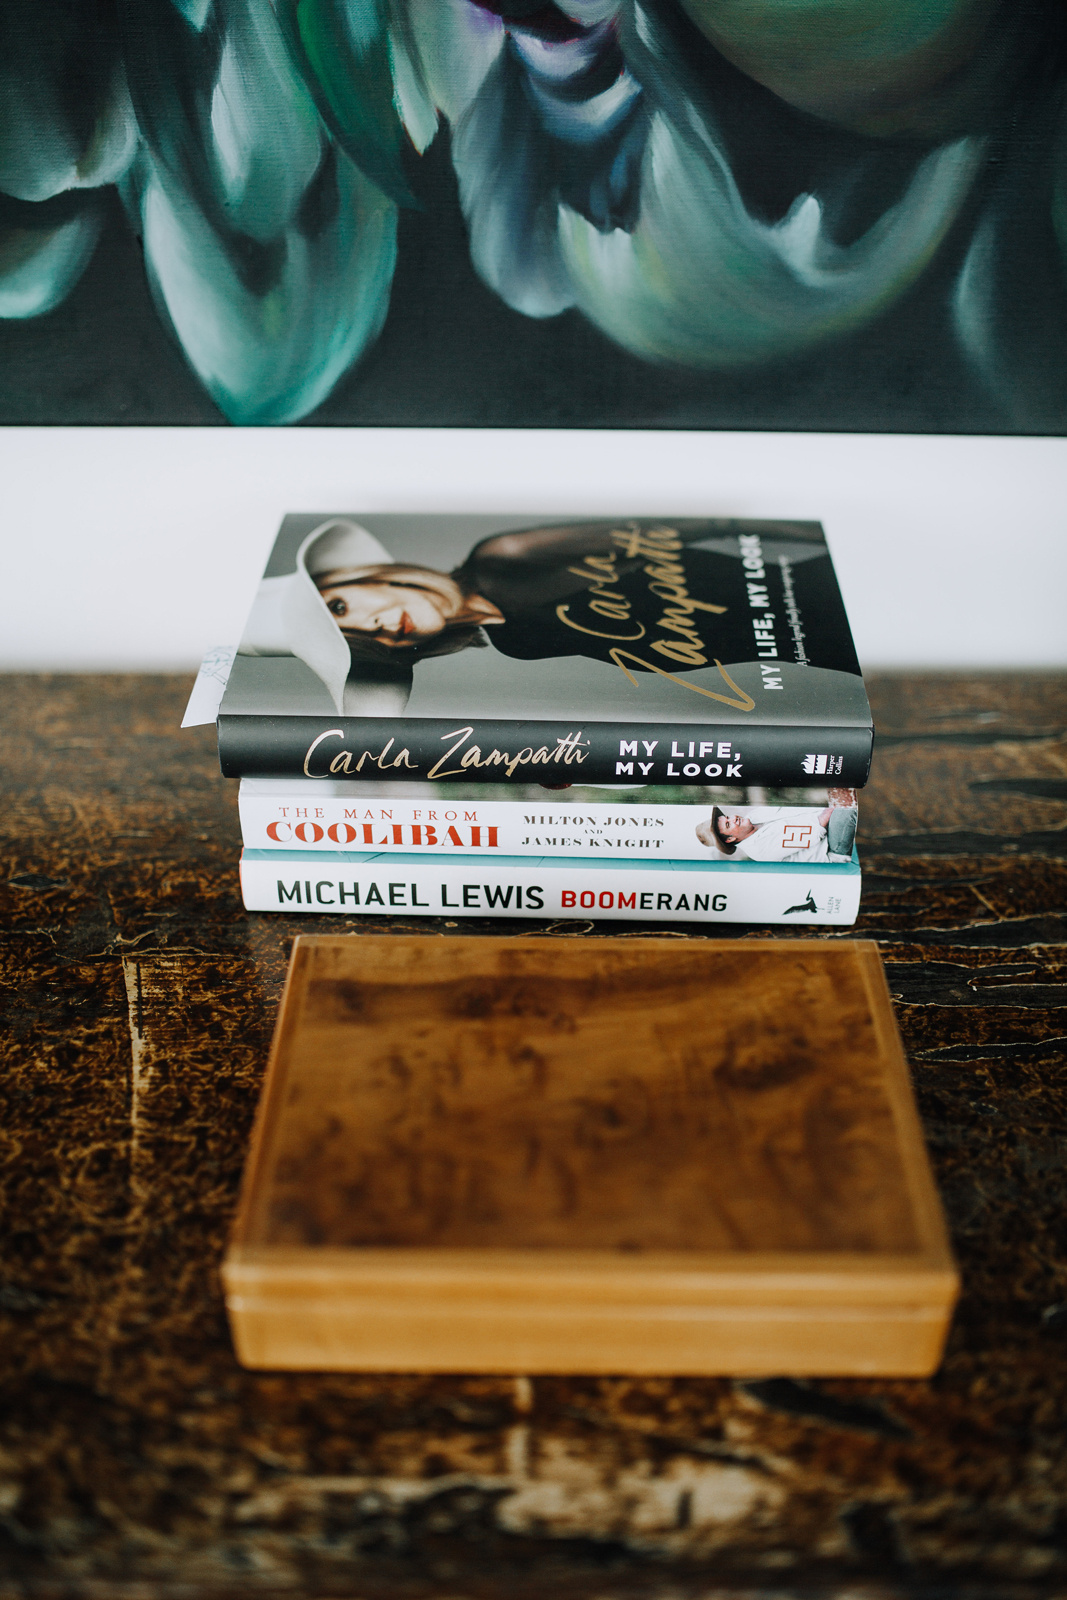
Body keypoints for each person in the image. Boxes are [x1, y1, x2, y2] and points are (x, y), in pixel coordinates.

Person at [238, 516, 857, 714]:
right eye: (354, 642)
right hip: (804, 650)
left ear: (358, 576)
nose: (371, 627)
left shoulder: (503, 556)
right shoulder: (517, 643)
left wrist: (825, 537)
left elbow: (703, 526)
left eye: (341, 607)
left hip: (814, 592)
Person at [695, 803, 857, 862]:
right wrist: (835, 804)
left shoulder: (754, 816)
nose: (733, 818)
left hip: (827, 824)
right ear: (730, 839)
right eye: (728, 824)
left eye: (727, 817)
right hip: (830, 849)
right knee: (846, 809)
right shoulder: (758, 849)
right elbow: (815, 830)